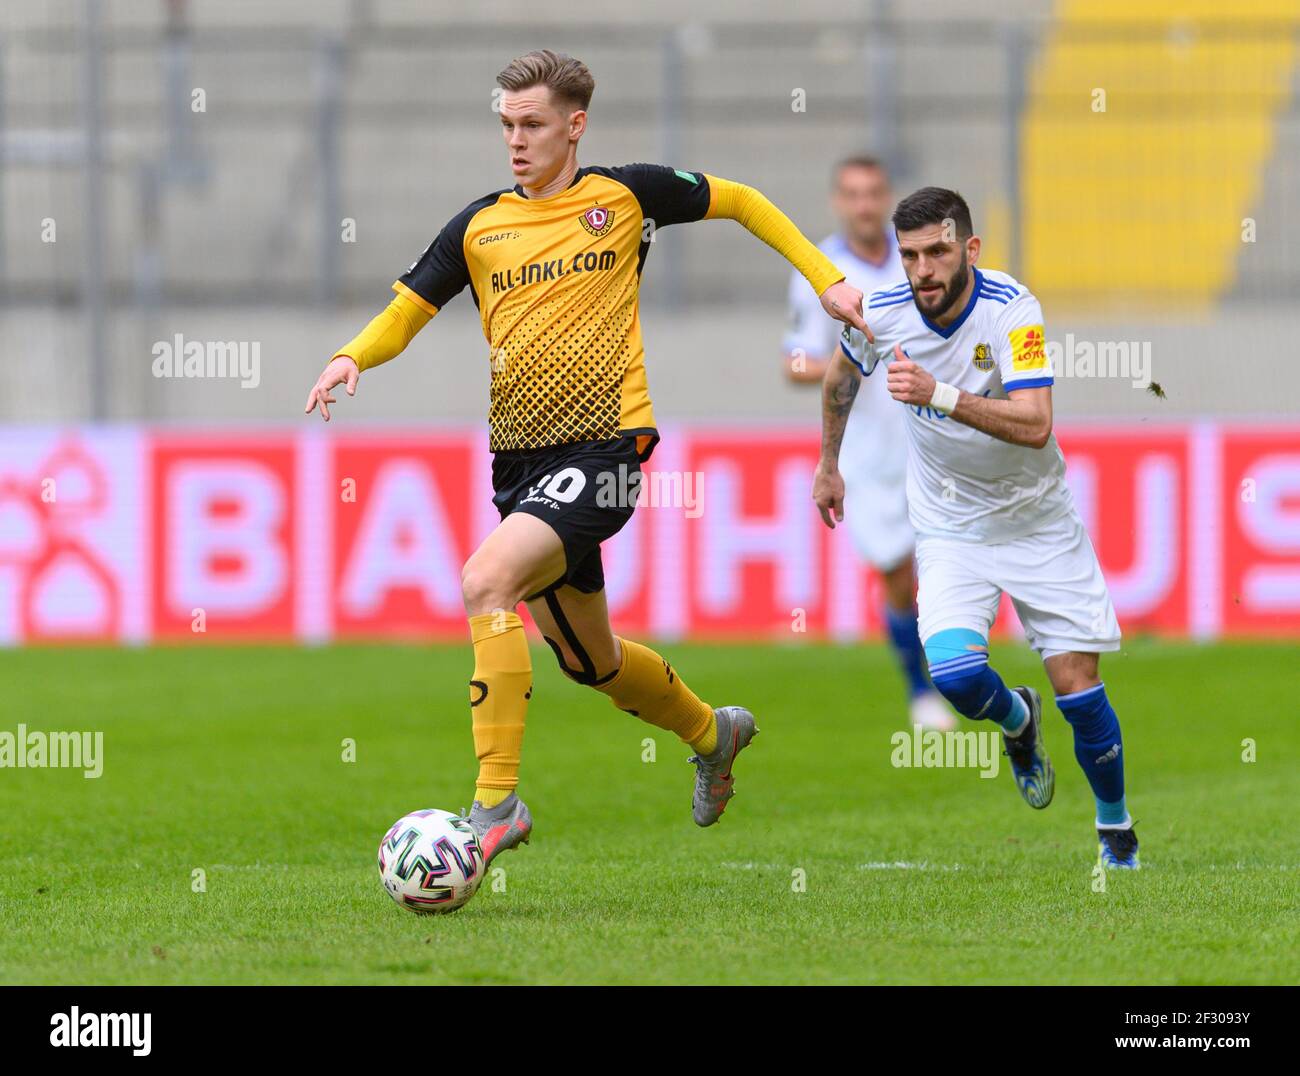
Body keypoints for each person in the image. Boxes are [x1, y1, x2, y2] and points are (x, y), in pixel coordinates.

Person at [304, 50, 867, 863]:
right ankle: (714, 735)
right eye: (506, 126)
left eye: (532, 124)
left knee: (484, 581)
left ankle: (495, 805)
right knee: (589, 663)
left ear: (575, 125)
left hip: (607, 450)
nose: (516, 141)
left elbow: (739, 200)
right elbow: (408, 308)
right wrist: (352, 354)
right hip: (520, 467)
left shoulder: (624, 195)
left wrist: (825, 280)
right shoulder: (479, 225)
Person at [815, 187, 1137, 869]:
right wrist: (828, 465)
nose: (923, 269)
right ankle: (1018, 722)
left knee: (1079, 690)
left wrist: (940, 395)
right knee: (957, 676)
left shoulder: (1011, 310)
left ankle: (1116, 830)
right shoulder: (883, 310)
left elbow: (1036, 422)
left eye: (937, 251)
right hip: (951, 524)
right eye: (910, 256)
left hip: (1037, 520)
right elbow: (841, 375)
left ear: (970, 248)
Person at [782, 156, 951, 731]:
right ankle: (920, 688)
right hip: (869, 451)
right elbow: (796, 360)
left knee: (954, 558)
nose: (864, 204)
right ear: (838, 200)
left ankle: (966, 668)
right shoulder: (823, 272)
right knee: (899, 573)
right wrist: (852, 355)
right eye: (853, 194)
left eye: (873, 192)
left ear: (887, 197)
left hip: (934, 434)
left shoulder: (919, 261)